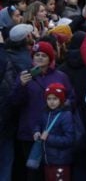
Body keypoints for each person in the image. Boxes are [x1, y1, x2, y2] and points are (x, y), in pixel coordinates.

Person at [10, 41, 74, 180]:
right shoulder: (24, 76)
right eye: (36, 55)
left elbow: (71, 99)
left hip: (54, 134)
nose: (39, 57)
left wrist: (61, 107)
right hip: (30, 133)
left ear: (50, 58)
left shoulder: (61, 76)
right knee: (33, 174)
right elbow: (14, 102)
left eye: (43, 55)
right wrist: (21, 85)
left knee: (53, 174)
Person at [34, 83, 74, 181]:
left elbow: (69, 139)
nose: (52, 102)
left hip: (61, 161)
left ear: (61, 99)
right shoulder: (45, 113)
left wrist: (49, 138)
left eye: (55, 99)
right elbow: (38, 124)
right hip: (48, 160)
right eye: (49, 99)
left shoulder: (66, 115)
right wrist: (36, 131)